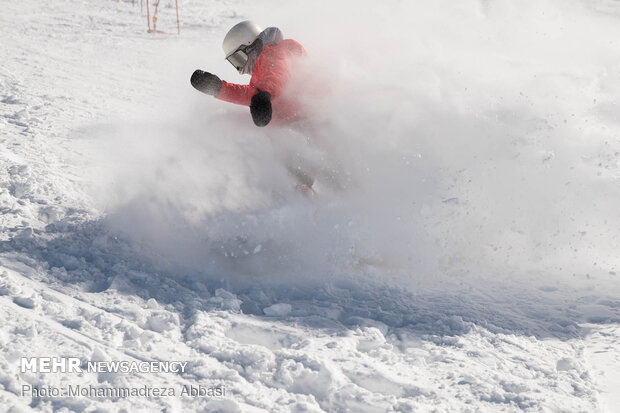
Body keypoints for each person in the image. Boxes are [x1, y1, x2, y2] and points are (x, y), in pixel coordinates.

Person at [190, 21, 307, 128]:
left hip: (311, 122)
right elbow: (252, 94)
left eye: (239, 58)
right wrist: (218, 88)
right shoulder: (262, 75)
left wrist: (264, 94)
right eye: (235, 62)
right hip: (296, 129)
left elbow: (278, 74)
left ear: (252, 46)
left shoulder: (280, 51)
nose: (241, 68)